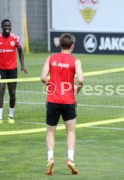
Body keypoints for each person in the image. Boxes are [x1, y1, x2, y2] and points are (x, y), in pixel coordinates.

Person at [40, 33, 84, 175]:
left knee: (50, 131)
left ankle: (50, 159)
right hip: (68, 101)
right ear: (72, 46)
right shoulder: (75, 61)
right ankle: (70, 159)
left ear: (60, 44)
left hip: (53, 100)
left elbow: (42, 77)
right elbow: (81, 80)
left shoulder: (51, 58)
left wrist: (50, 84)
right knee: (70, 131)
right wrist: (76, 89)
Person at [0, 19, 27, 124]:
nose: (7, 27)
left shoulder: (15, 38)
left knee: (12, 93)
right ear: (2, 26)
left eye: (9, 25)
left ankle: (10, 116)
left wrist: (23, 65)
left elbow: (20, 51)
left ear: (11, 27)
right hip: (0, 70)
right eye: (5, 25)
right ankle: (0, 117)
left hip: (12, 70)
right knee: (0, 92)